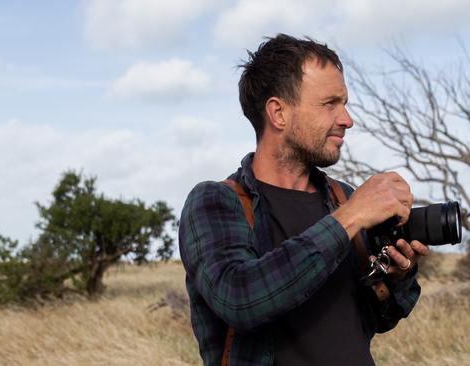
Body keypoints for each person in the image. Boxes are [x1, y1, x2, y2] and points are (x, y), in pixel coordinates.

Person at [179, 34, 428, 366]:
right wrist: (350, 218)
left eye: (345, 103)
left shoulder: (342, 198)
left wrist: (396, 278)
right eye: (330, 104)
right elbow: (240, 300)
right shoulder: (215, 202)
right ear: (278, 113)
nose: (347, 119)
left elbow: (376, 319)